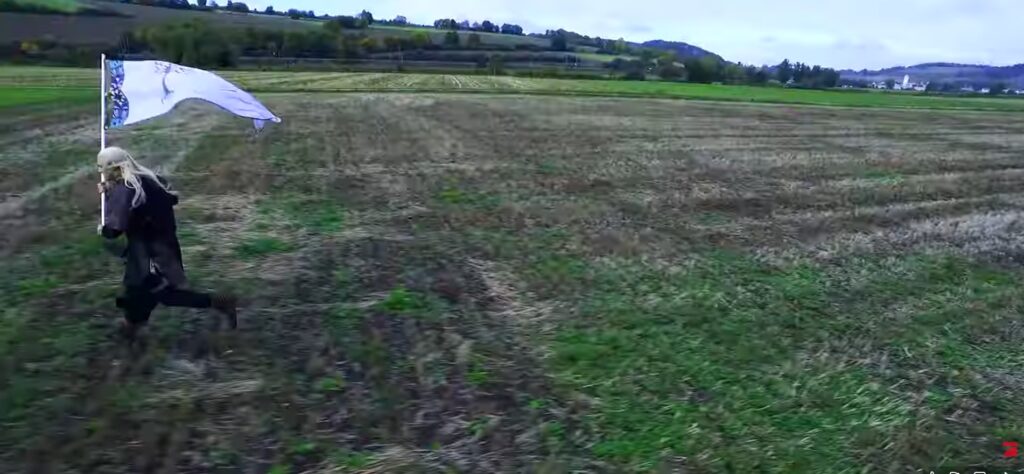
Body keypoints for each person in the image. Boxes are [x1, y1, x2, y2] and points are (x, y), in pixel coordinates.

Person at [97, 146, 237, 339]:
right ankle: (131, 328)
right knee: (138, 290)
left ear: (113, 168)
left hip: (151, 253)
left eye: (103, 168)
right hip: (163, 246)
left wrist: (104, 223)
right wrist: (111, 190)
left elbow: (114, 229)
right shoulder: (147, 179)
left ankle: (221, 302)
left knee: (165, 293)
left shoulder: (127, 189)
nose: (102, 173)